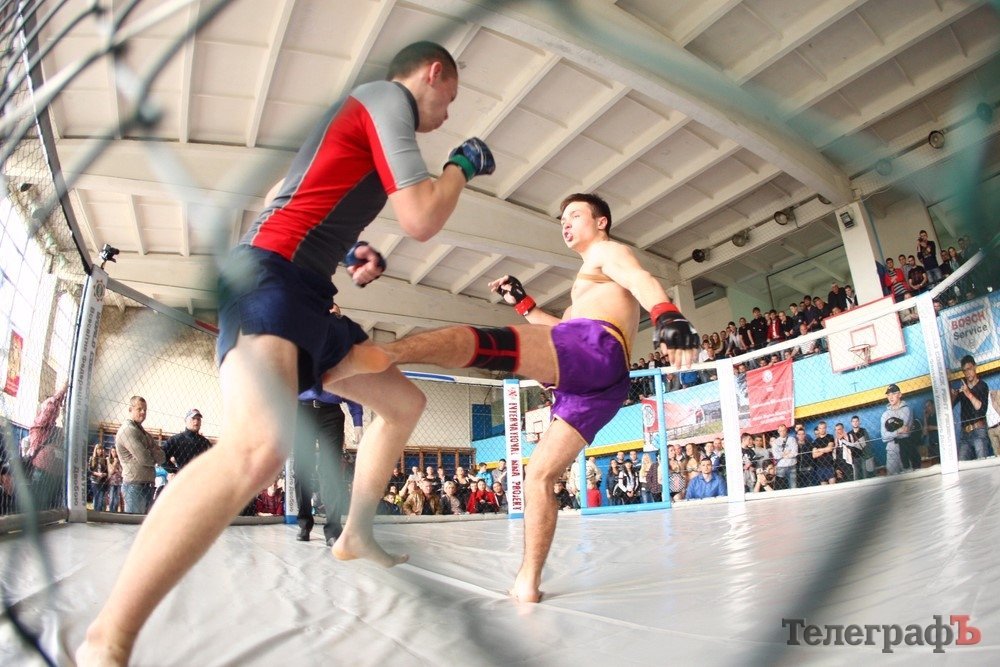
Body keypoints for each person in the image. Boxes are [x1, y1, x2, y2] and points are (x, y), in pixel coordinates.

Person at [77, 41, 494, 665]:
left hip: (308, 292)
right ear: (432, 74)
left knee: (404, 404)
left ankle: (355, 532)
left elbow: (286, 190)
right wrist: (461, 163)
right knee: (258, 448)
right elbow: (421, 217)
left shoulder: (356, 121)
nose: (446, 114)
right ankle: (107, 637)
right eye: (449, 99)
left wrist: (346, 250)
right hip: (269, 278)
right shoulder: (388, 98)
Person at [324, 192, 698, 602]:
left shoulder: (607, 252)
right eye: (562, 218)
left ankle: (383, 354)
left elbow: (640, 278)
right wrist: (524, 304)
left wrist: (667, 314)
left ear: (601, 221)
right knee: (539, 476)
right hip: (598, 385)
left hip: (595, 349)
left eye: (575, 215)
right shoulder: (588, 287)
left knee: (488, 343)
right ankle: (527, 583)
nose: (566, 223)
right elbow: (559, 328)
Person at [293, 377, 364, 544]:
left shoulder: (339, 360)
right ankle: (304, 524)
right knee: (301, 469)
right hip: (302, 411)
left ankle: (333, 530)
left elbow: (351, 384)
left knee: (330, 471)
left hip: (331, 413)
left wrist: (358, 420)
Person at [114, 396, 164, 514]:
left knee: (143, 523)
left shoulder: (143, 432)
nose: (143, 412)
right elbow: (145, 459)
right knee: (134, 524)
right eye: (139, 409)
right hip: (135, 486)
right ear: (130, 410)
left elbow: (162, 458)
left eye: (145, 410)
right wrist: (152, 451)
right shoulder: (128, 430)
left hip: (147, 485)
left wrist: (149, 451)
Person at [951, 355, 990, 460]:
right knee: (962, 463)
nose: (967, 373)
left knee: (982, 462)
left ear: (975, 367)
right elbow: (950, 407)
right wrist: (953, 396)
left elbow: (981, 409)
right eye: (964, 370)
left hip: (979, 431)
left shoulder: (982, 386)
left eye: (969, 369)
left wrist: (968, 394)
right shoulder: (962, 388)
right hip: (965, 433)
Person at [162, 408, 213, 475]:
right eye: (193, 418)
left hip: (201, 477)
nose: (196, 421)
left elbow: (213, 460)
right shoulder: (175, 440)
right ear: (186, 421)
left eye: (198, 419)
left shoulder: (205, 442)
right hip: (184, 478)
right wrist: (175, 471)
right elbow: (161, 457)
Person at [881, 384, 913, 475]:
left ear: (899, 394)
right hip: (891, 449)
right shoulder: (885, 415)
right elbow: (884, 437)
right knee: (892, 478)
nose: (890, 397)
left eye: (893, 394)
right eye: (888, 395)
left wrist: (891, 431)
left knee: (908, 476)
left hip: (905, 446)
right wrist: (898, 431)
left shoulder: (906, 410)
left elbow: (905, 432)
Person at [771, 424, 797, 490]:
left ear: (786, 430)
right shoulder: (775, 442)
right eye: (781, 431)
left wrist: (782, 455)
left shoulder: (792, 439)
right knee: (782, 487)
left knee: (793, 486)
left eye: (784, 430)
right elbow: (775, 455)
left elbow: (795, 453)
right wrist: (787, 453)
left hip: (791, 465)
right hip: (781, 467)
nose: (782, 432)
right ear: (778, 431)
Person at [89, 444, 110, 512]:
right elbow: (89, 470)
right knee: (96, 497)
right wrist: (97, 474)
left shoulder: (104, 459)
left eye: (101, 449)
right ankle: (96, 512)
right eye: (99, 449)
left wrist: (104, 474)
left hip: (102, 481)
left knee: (101, 498)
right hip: (95, 481)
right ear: (96, 450)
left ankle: (101, 512)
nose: (100, 451)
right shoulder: (92, 459)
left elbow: (107, 471)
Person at [106, 448, 123, 513]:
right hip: (111, 482)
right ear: (110, 452)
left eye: (115, 451)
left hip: (119, 482)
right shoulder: (109, 460)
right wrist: (115, 463)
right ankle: (111, 511)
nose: (114, 453)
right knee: (111, 497)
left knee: (117, 498)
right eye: (113, 451)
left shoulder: (120, 460)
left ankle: (115, 511)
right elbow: (110, 471)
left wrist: (116, 470)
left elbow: (121, 472)